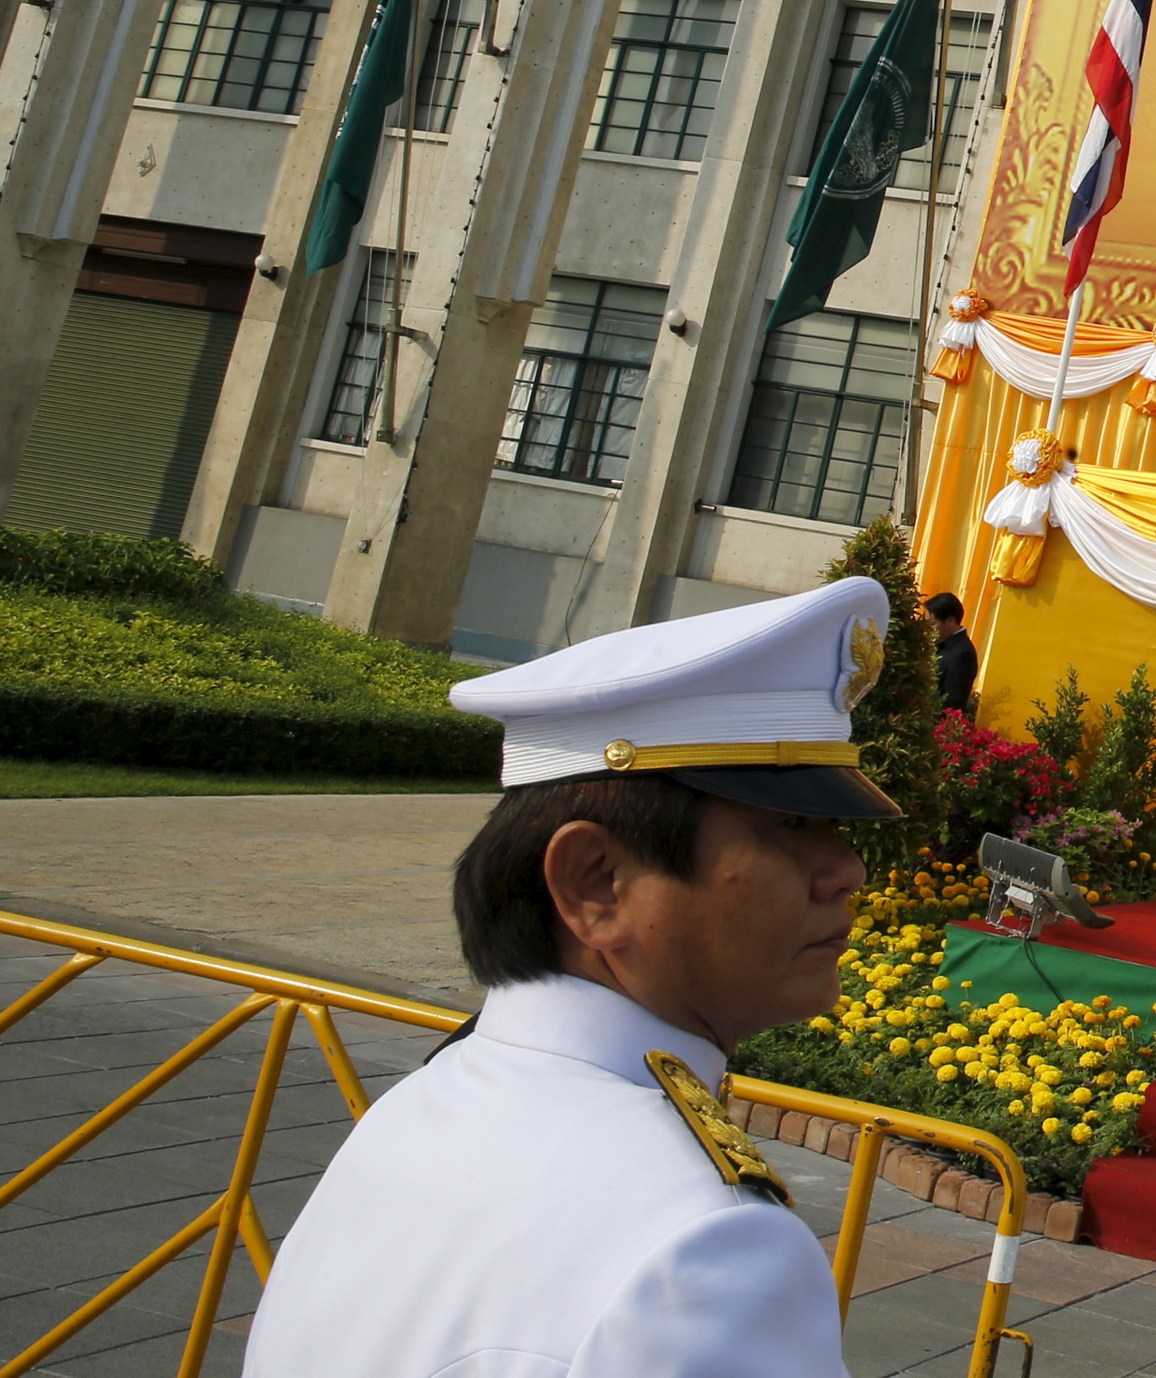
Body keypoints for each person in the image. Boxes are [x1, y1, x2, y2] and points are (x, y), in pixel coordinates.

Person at [247, 576, 905, 1377]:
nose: (847, 869)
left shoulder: (417, 1108)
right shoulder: (711, 1244)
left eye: (836, 827)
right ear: (596, 883)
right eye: (792, 824)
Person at [927, 590, 977, 713]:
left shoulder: (963, 653)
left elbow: (953, 703)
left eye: (933, 624)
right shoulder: (940, 644)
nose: (927, 629)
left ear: (950, 621)